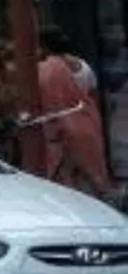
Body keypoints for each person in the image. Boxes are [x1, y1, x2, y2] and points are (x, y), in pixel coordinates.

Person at [37, 27, 114, 197]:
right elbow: (93, 96)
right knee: (91, 173)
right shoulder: (83, 66)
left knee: (67, 176)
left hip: (61, 130)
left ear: (44, 46)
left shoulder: (46, 70)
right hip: (87, 126)